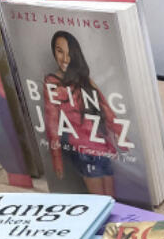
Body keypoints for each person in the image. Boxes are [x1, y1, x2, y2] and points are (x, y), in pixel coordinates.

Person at [43, 30, 126, 197]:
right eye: (60, 51)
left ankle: (114, 224)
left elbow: (105, 108)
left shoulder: (83, 79)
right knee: (100, 203)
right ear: (53, 51)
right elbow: (52, 125)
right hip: (83, 150)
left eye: (69, 53)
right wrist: (57, 160)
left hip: (102, 147)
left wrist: (121, 136)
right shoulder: (51, 83)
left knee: (112, 201)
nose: (65, 59)